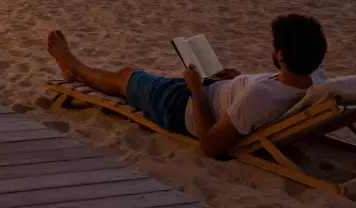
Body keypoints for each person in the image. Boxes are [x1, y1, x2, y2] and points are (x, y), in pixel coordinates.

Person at [46, 14, 328, 158]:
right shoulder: (317, 79)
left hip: (183, 107)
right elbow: (274, 89)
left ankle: (73, 65)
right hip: (214, 90)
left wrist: (194, 89)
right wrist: (240, 79)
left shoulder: (259, 96)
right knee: (139, 76)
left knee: (126, 77)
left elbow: (210, 145)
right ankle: (76, 66)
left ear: (280, 55)